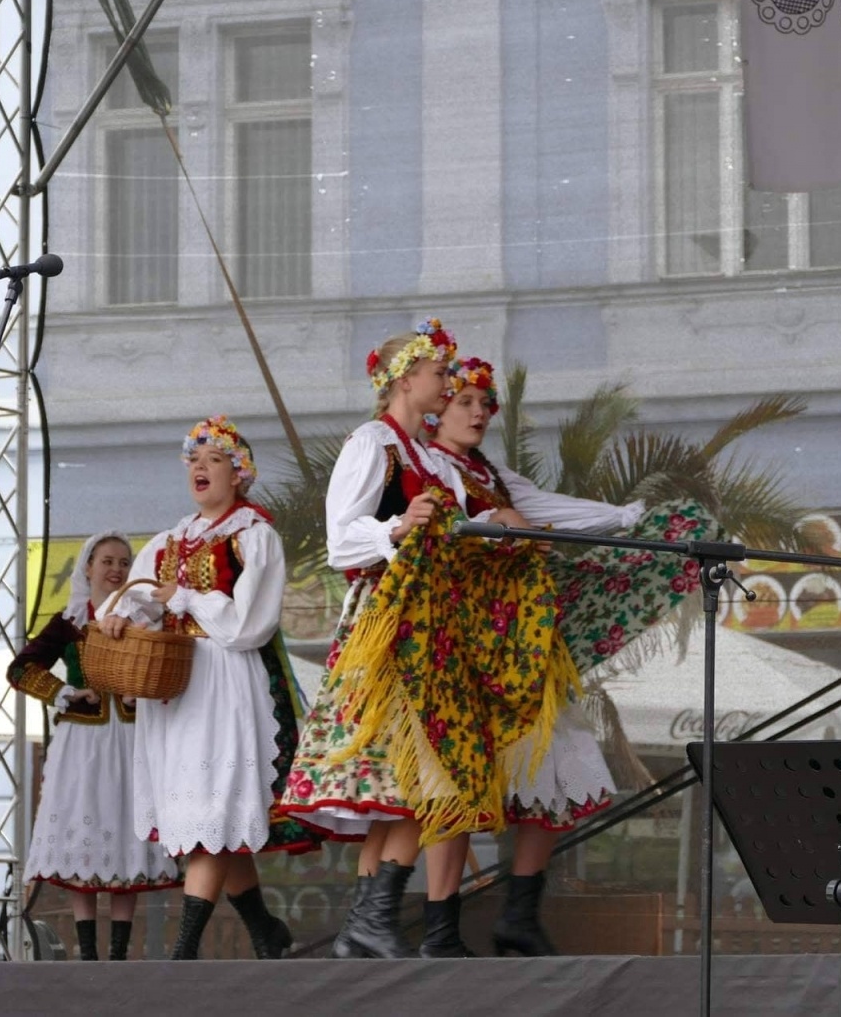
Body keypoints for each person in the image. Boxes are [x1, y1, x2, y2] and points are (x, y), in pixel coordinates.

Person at [282, 320, 580, 959]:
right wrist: (395, 529)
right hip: (389, 625)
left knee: (416, 778)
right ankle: (370, 922)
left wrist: (491, 527)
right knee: (414, 775)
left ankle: (368, 924)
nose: (449, 384)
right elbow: (341, 542)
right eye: (441, 374)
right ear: (404, 379)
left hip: (434, 625)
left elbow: (450, 533)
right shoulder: (375, 443)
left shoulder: (424, 455)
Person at [423, 356, 720, 956]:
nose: (480, 412)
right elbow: (438, 532)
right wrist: (488, 520)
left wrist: (625, 520)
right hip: (465, 639)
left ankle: (519, 915)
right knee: (456, 783)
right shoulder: (424, 467)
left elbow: (546, 510)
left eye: (486, 404)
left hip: (524, 636)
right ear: (437, 409)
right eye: (466, 402)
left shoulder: (494, 473)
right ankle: (439, 931)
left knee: (557, 761)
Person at [99, 416, 298, 960]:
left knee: (212, 807)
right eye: (194, 460)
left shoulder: (254, 536)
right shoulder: (168, 539)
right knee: (206, 812)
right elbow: (136, 600)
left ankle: (184, 950)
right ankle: (264, 930)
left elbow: (248, 625)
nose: (200, 468)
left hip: (225, 682)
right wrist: (117, 616)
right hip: (175, 688)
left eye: (213, 459)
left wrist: (183, 598)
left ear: (239, 474)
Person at [9, 532, 180, 960]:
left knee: (128, 827)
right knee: (82, 829)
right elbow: (20, 668)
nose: (116, 570)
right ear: (87, 567)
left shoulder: (143, 618)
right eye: (107, 561)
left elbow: (166, 672)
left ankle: (118, 955)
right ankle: (88, 953)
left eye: (124, 562)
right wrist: (65, 693)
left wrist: (139, 694)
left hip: (132, 738)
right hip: (82, 743)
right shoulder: (70, 620)